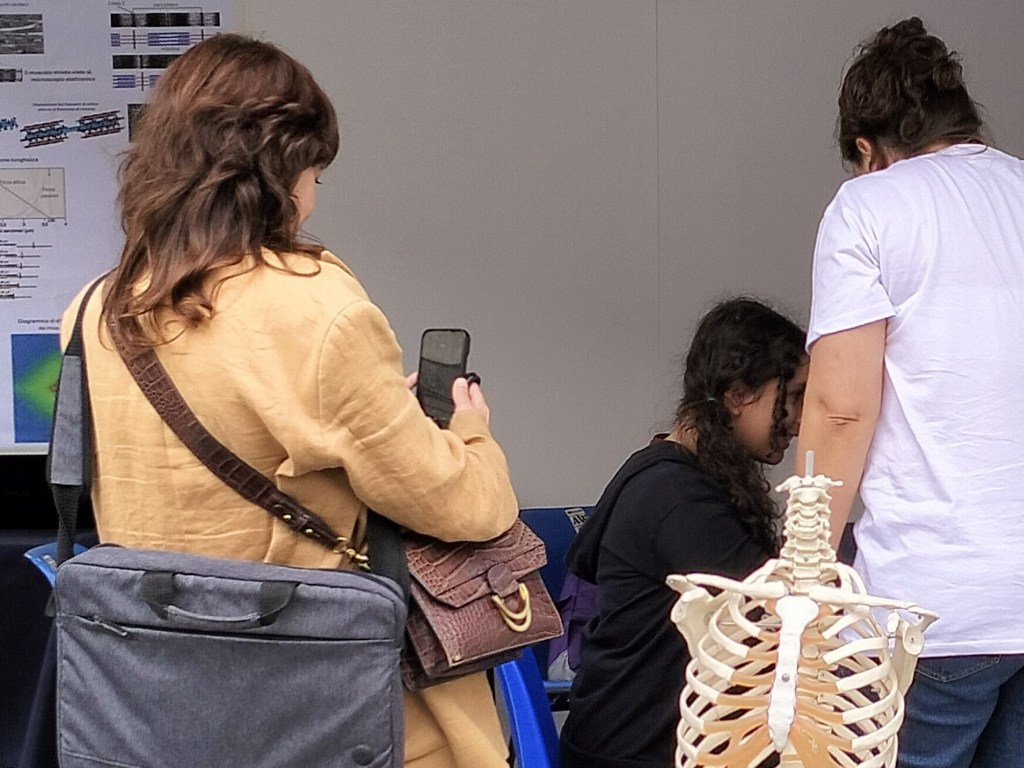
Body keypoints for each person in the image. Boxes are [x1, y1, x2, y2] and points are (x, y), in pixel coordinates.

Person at [60, 34, 519, 768]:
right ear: (278, 168)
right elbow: (460, 506)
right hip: (314, 705)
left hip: (153, 709)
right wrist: (470, 434)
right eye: (314, 171)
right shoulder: (316, 307)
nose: (312, 195)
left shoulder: (96, 310)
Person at [797, 17, 1024, 768]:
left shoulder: (870, 207)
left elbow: (840, 408)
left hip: (928, 612)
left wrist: (802, 577)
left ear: (868, 149)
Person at [560, 297, 807, 768]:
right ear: (737, 394)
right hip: (638, 753)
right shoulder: (677, 498)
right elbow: (783, 620)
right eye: (793, 396)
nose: (798, 420)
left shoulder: (665, 473)